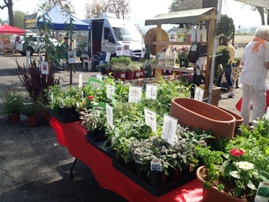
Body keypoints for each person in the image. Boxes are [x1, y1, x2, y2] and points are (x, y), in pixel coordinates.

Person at [239, 25, 269, 126]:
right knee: (259, 105)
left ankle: (243, 126)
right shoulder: (266, 45)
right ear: (265, 35)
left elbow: (242, 63)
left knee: (246, 102)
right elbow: (267, 64)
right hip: (258, 79)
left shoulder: (248, 45)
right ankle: (257, 129)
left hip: (246, 77)